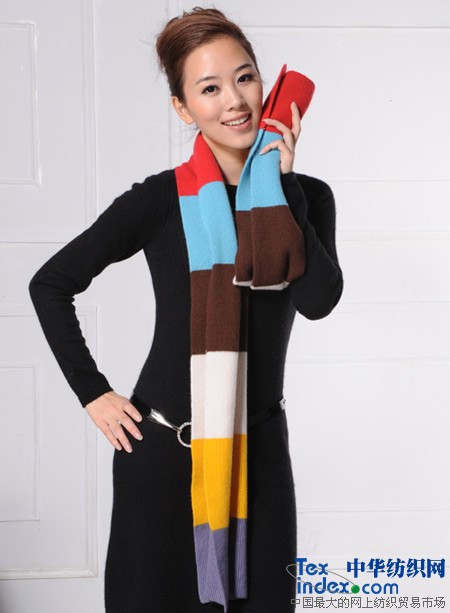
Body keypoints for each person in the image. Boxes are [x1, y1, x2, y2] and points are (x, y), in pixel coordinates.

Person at [28, 6, 344, 612]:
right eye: (210, 88)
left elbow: (319, 301)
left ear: (266, 84)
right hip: (162, 458)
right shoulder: (159, 199)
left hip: (260, 457)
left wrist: (283, 188)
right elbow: (51, 284)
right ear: (183, 108)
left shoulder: (308, 197)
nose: (236, 101)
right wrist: (93, 393)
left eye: (245, 77)